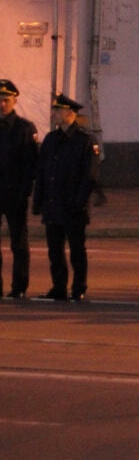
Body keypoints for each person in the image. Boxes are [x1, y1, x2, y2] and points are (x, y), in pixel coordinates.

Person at [32, 94, 98, 301]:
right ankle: (58, 287)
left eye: (58, 110)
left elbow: (89, 176)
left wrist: (79, 202)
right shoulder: (51, 139)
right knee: (55, 250)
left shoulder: (85, 140)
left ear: (70, 113)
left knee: (77, 249)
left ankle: (78, 287)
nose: (55, 114)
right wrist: (38, 200)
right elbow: (42, 172)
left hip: (73, 206)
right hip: (53, 204)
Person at [0, 79, 38, 300]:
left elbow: (30, 164)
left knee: (19, 243)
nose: (2, 104)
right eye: (0, 101)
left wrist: (24, 192)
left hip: (15, 193)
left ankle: (19, 286)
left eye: (6, 100)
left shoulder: (24, 128)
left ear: (15, 101)